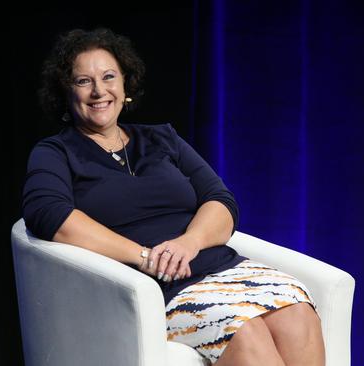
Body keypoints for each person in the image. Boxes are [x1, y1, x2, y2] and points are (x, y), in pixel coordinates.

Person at [23, 28, 324, 366]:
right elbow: (48, 213)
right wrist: (144, 257)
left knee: (298, 312)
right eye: (83, 81)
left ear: (125, 85)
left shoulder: (161, 137)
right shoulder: (56, 152)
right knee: (246, 332)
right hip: (154, 286)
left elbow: (220, 200)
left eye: (109, 77)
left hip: (219, 266)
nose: (98, 91)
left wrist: (189, 243)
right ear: (65, 91)